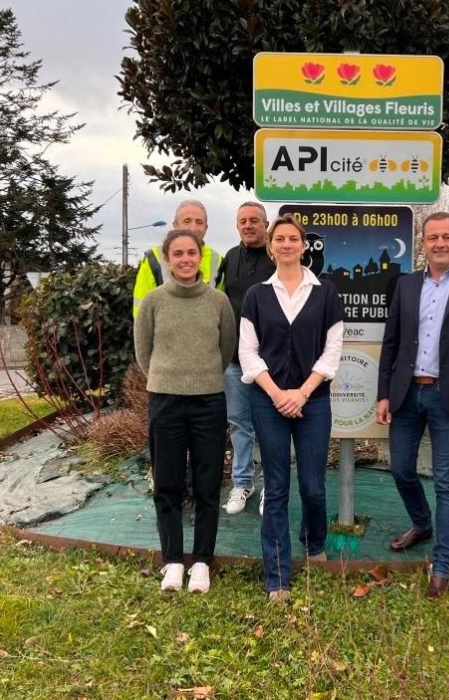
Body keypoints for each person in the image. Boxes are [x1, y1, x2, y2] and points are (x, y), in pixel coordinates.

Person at [377, 212, 449, 600]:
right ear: (423, 243)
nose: (440, 243)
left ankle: (442, 564)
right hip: (406, 394)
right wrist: (384, 393)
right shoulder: (406, 284)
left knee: (446, 481)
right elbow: (392, 342)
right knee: (401, 469)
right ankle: (421, 523)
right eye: (432, 237)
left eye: (447, 236)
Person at [238, 214, 344, 603]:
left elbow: (332, 351)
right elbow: (248, 353)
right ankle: (278, 575)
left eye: (293, 239)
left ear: (303, 246)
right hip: (268, 402)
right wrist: (278, 394)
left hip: (313, 401)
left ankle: (314, 541)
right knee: (277, 485)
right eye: (279, 239)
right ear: (271, 247)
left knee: (313, 486)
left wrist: (301, 393)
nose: (286, 244)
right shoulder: (256, 295)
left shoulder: (326, 293)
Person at [134, 230, 236, 594]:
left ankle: (202, 562)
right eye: (177, 253)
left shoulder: (219, 302)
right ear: (167, 259)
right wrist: (167, 378)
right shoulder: (153, 302)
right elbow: (143, 351)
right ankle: (174, 561)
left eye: (191, 252)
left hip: (208, 401)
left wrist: (202, 377)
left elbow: (226, 349)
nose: (185, 259)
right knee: (167, 483)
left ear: (200, 255)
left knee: (207, 484)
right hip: (165, 401)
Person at [218, 202, 276, 516]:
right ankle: (243, 483)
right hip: (234, 358)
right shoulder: (230, 258)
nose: (248, 225)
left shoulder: (276, 257)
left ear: (266, 224)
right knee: (239, 423)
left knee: (269, 425)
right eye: (243, 221)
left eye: (255, 220)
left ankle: (270, 487)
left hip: (269, 361)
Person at [132, 200, 223, 319]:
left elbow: (220, 308)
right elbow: (141, 309)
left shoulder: (218, 260)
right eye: (187, 221)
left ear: (206, 228)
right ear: (175, 225)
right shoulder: (153, 258)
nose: (193, 227)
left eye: (199, 222)